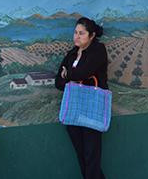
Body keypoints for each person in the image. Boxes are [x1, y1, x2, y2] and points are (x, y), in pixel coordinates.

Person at [55, 17, 109, 179]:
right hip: (74, 110)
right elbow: (58, 82)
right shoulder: (72, 54)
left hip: (92, 110)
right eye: (75, 32)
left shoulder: (98, 50)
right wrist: (69, 77)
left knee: (92, 157)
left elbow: (83, 73)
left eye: (82, 33)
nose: (76, 37)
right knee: (82, 156)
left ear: (91, 36)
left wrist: (69, 75)